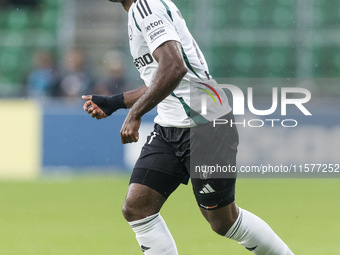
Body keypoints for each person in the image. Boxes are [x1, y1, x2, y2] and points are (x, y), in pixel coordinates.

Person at [82, 0, 294, 254]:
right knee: (137, 207)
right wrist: (115, 102)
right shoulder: (143, 9)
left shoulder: (145, 7)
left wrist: (136, 113)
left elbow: (174, 68)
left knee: (223, 221)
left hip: (206, 126)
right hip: (170, 127)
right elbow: (160, 78)